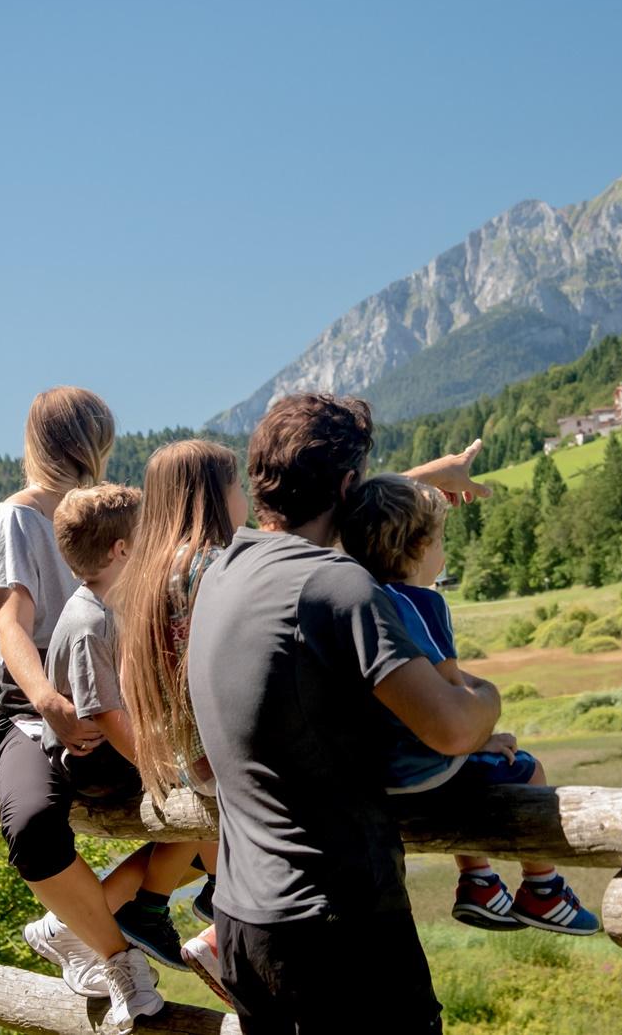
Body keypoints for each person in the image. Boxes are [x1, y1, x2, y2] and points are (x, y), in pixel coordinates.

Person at [188, 394, 500, 1033]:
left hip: (246, 919)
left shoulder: (223, 571)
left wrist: (424, 480)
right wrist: (487, 694)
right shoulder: (336, 586)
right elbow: (453, 728)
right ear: (349, 484)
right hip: (336, 926)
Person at [0, 388, 162, 1029]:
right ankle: (118, 957)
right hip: (19, 706)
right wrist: (49, 700)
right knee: (32, 823)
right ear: (95, 439)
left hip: (99, 693)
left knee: (190, 793)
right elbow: (12, 625)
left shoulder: (110, 515)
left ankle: (72, 923)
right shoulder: (17, 521)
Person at [338, 473, 598, 935]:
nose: (444, 552)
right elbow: (452, 692)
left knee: (469, 758)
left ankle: (479, 879)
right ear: (420, 548)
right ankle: (543, 889)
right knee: (527, 769)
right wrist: (486, 734)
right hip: (421, 772)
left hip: (374, 776)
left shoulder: (359, 599)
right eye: (441, 541)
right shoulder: (420, 603)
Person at [43, 482, 212, 974]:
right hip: (96, 763)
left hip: (114, 748)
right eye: (149, 537)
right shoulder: (90, 622)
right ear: (122, 550)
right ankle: (162, 906)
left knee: (201, 789)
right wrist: (158, 766)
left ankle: (108, 915)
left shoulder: (110, 604)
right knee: (197, 793)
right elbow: (104, 714)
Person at [113, 438, 245, 1003]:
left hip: (186, 756)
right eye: (237, 486)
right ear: (212, 496)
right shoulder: (214, 566)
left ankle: (214, 914)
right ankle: (224, 928)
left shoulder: (148, 575)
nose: (245, 498)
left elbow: (132, 679)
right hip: (224, 753)